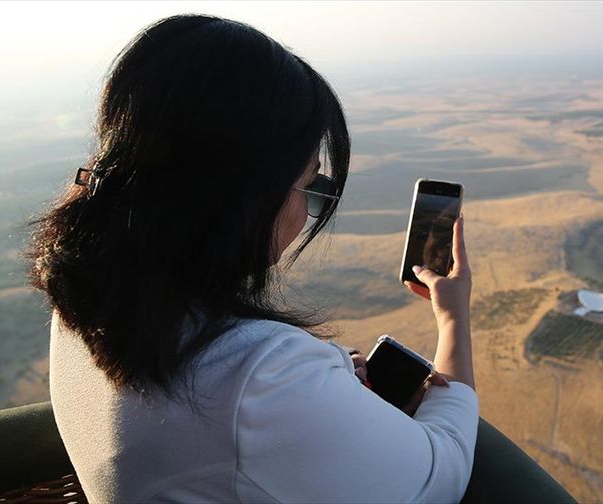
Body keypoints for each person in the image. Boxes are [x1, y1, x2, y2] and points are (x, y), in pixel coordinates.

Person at [28, 14, 478, 503]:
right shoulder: (260, 374)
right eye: (308, 184)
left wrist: (317, 399)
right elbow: (442, 475)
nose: (307, 209)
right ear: (244, 194)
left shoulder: (88, 292)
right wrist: (453, 316)